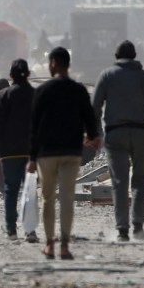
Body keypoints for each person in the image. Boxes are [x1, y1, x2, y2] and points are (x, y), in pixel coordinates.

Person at [28, 47, 101, 260]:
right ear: (68, 64)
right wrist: (94, 136)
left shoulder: (42, 91)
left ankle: (50, 244)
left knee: (48, 198)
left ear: (53, 64)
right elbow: (90, 118)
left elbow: (34, 127)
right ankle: (65, 246)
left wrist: (32, 158)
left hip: (47, 153)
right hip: (71, 152)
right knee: (67, 199)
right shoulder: (78, 90)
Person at [92, 40, 144, 243]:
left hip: (115, 135)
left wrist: (95, 133)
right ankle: (138, 226)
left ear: (116, 57)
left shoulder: (107, 76)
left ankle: (122, 229)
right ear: (135, 56)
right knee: (141, 181)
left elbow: (95, 107)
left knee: (119, 182)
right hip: (142, 134)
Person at [0, 60, 36, 242]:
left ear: (11, 76)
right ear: (27, 74)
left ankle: (11, 230)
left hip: (9, 151)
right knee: (29, 191)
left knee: (11, 191)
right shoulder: (35, 94)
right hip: (30, 151)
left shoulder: (3, 96)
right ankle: (30, 231)